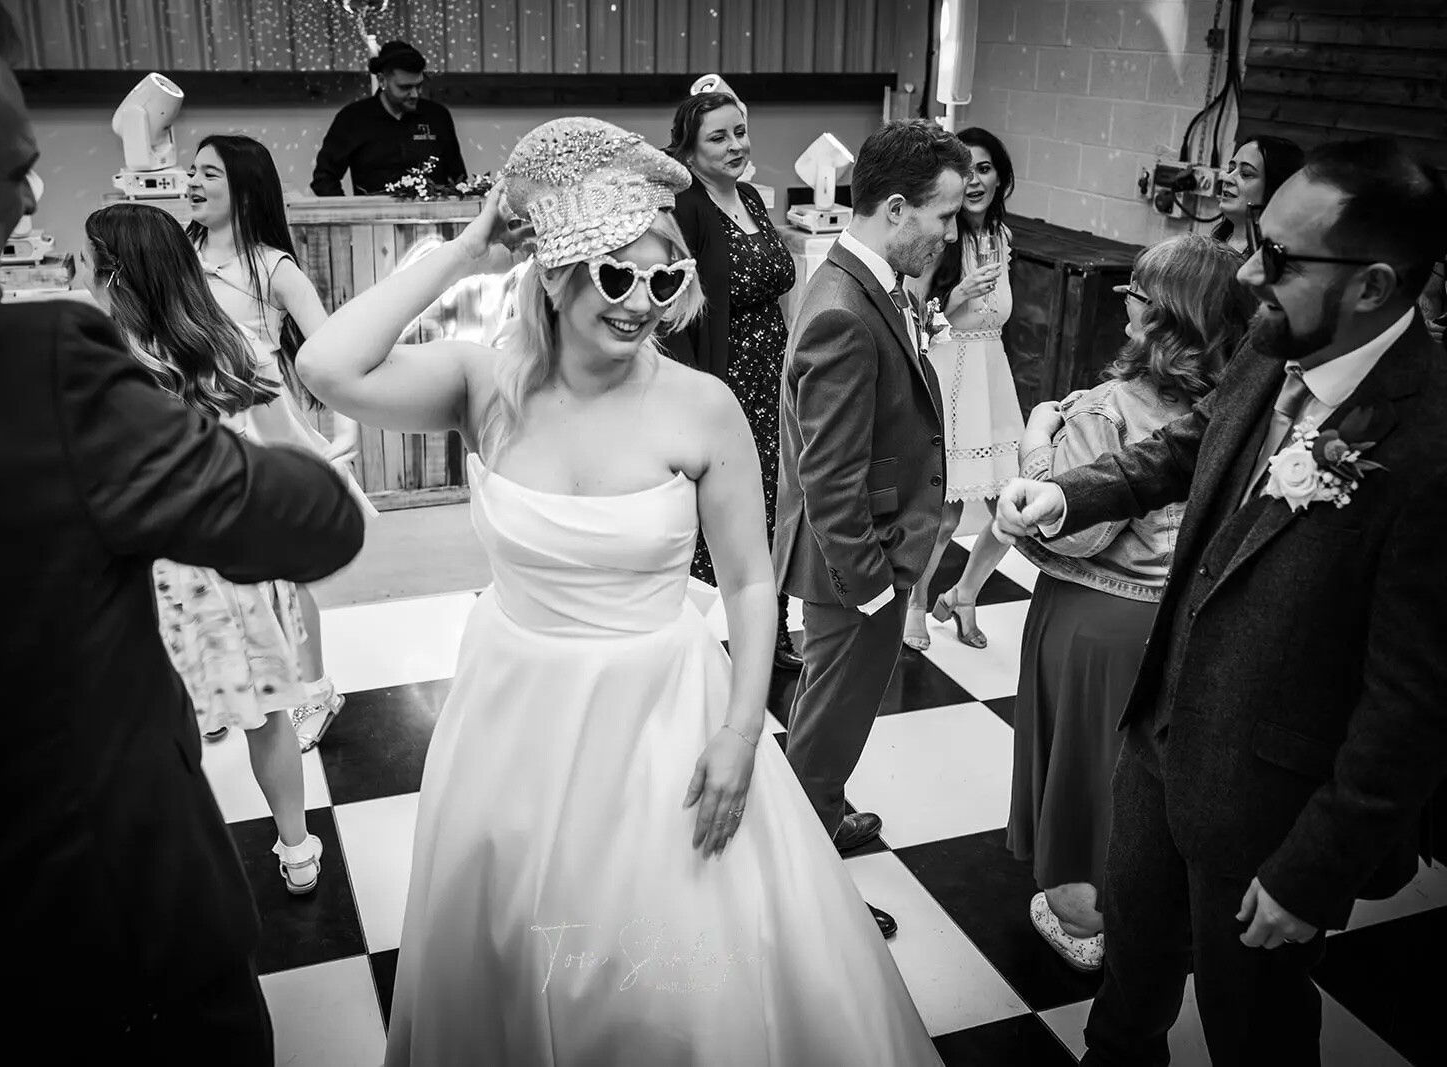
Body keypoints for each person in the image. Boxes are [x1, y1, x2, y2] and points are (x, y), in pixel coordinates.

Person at [297, 116, 941, 1066]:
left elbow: (753, 580)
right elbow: (326, 367)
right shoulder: (487, 384)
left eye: (664, 277)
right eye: (614, 274)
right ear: (556, 279)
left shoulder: (700, 405)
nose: (641, 302)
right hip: (515, 714)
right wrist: (468, 251)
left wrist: (736, 734)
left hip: (660, 719)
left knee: (660, 976)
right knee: (524, 944)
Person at [0, 8, 365, 1061]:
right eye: (15, 170)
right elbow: (312, 519)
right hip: (97, 924)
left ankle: (295, 827)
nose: (35, 199)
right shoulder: (36, 362)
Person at [994, 137, 1447, 1066]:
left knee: (1257, 1029)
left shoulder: (1432, 447)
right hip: (1159, 736)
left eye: (1278, 258)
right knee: (1129, 991)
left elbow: (1415, 702)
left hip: (1269, 798)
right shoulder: (1271, 343)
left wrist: (1314, 870)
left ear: (1372, 285)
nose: (1247, 269)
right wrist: (1071, 493)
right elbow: (1181, 450)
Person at [1006, 234, 1252, 973]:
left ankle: (1084, 917)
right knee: (1139, 774)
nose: (1126, 303)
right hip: (1173, 618)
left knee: (1082, 766)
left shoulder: (1109, 408)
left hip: (1093, 622)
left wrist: (1038, 432)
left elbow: (1081, 535)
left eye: (1138, 294)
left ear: (1166, 316)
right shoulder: (1232, 407)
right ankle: (1152, 909)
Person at [84, 201, 331, 895]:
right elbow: (283, 449)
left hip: (160, 574)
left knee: (171, 724)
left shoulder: (105, 364)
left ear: (115, 277)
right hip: (238, 558)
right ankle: (297, 844)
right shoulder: (227, 346)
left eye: (87, 261)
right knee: (268, 709)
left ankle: (186, 868)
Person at [774, 118, 970, 939]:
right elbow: (830, 476)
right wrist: (873, 589)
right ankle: (801, 892)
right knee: (829, 725)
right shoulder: (844, 312)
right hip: (855, 569)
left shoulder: (865, 282)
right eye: (946, 214)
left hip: (863, 561)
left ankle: (819, 804)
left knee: (829, 705)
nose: (951, 231)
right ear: (896, 209)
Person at [188, 132, 374, 749]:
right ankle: (227, 691)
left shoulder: (275, 268)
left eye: (209, 174)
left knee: (282, 571)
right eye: (193, 172)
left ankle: (315, 690)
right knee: (210, 563)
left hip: (261, 426)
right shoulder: (179, 254)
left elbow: (331, 353)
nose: (193, 183)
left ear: (244, 190)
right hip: (195, 426)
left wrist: (345, 428)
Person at [664, 90, 800, 671]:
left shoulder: (747, 194)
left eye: (739, 131)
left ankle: (772, 629)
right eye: (718, 136)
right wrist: (688, 394)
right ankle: (685, 635)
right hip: (723, 380)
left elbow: (774, 279)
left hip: (773, 378)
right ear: (690, 146)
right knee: (717, 512)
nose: (735, 145)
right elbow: (674, 308)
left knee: (779, 504)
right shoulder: (684, 204)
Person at [901, 126, 1024, 651]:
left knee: (1013, 512)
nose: (974, 180)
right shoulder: (936, 239)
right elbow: (912, 322)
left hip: (992, 383)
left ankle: (965, 593)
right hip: (949, 383)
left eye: (985, 168)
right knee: (947, 512)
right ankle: (916, 604)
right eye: (966, 169)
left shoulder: (1003, 238)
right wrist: (954, 297)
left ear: (1000, 178)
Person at [311, 39, 467, 197]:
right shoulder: (353, 119)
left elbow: (458, 178)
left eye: (419, 85)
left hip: (432, 217)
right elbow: (324, 179)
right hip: (373, 218)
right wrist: (349, 215)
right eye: (405, 87)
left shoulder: (437, 116)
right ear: (382, 81)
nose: (414, 94)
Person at [1213, 136, 1305, 256]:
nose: (1227, 178)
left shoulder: (1273, 259)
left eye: (1245, 174)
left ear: (1276, 188)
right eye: (1230, 170)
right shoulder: (1215, 242)